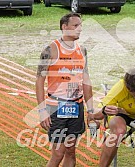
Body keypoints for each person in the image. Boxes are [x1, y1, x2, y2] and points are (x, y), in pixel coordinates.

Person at [35, 13, 94, 167]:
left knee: (70, 151)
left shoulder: (82, 50)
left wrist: (91, 110)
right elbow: (39, 81)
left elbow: (86, 80)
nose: (79, 29)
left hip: (77, 105)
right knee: (58, 153)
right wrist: (42, 111)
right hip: (56, 107)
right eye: (75, 26)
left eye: (80, 25)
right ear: (64, 27)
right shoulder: (50, 50)